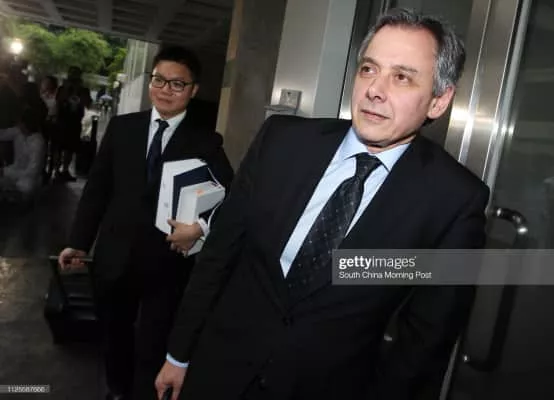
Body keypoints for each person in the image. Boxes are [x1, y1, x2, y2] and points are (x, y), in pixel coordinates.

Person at [155, 8, 490, 400]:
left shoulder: (454, 200)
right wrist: (178, 354)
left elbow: (426, 340)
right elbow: (219, 255)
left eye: (401, 77)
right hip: (218, 371)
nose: (374, 89)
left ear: (439, 101)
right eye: (369, 69)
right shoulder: (281, 141)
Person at [57, 46, 234, 400]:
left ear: (193, 90)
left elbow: (230, 197)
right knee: (114, 335)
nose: (166, 90)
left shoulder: (205, 141)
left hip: (167, 263)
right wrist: (78, 241)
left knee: (154, 342)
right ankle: (117, 390)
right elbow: (97, 190)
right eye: (159, 80)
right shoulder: (123, 128)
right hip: (114, 255)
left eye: (177, 84)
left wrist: (200, 229)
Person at [0, 106, 46, 199]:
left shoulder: (38, 142)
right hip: (14, 170)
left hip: (29, 178)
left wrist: (6, 172)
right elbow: (2, 134)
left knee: (25, 186)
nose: (18, 124)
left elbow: (32, 171)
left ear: (25, 124)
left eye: (20, 122)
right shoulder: (18, 131)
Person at [55, 66, 90, 181]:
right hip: (62, 121)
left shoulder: (83, 90)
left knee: (70, 148)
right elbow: (58, 101)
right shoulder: (62, 88)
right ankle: (56, 171)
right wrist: (67, 88)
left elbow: (87, 104)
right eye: (72, 74)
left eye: (76, 74)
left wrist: (78, 90)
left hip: (75, 122)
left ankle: (65, 170)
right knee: (59, 147)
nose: (73, 77)